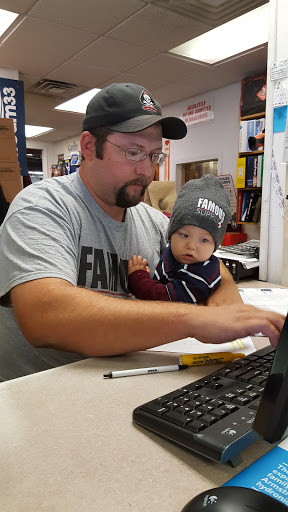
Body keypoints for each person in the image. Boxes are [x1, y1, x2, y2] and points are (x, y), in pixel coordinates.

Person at [0, 82, 284, 382]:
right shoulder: (42, 206)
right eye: (133, 152)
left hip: (127, 379)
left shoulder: (155, 222)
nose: (147, 171)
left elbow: (207, 262)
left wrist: (226, 302)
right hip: (44, 391)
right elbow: (45, 317)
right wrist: (197, 319)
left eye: (153, 156)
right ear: (88, 146)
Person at [128, 175, 230, 303]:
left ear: (215, 246)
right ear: (171, 233)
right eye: (184, 235)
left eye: (204, 240)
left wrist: (138, 277)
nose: (191, 246)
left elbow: (163, 300)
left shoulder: (201, 276)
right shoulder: (173, 248)